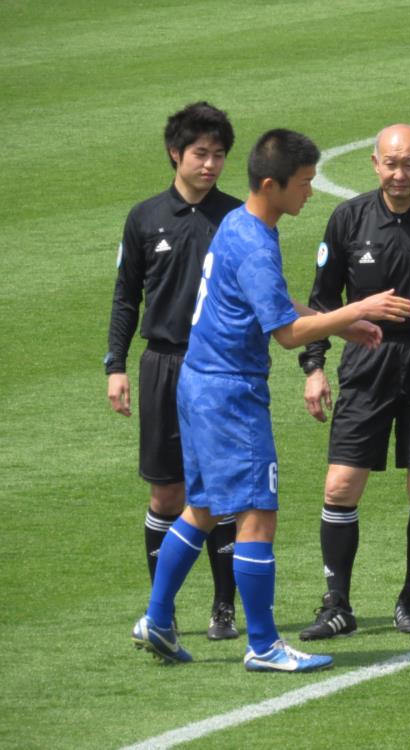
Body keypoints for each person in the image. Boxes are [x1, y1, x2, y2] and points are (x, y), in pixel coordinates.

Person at [130, 129, 410, 671]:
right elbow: (285, 333)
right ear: (271, 184)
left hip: (199, 382)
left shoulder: (238, 223)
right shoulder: (257, 242)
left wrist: (338, 323)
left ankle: (158, 619)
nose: (310, 191)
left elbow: (274, 302)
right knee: (257, 513)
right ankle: (263, 645)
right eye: (304, 183)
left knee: (204, 507)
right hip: (230, 394)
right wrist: (359, 309)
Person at [297, 124, 410, 639]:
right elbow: (322, 300)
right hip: (366, 363)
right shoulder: (348, 219)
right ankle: (337, 604)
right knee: (340, 485)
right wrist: (314, 366)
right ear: (375, 164)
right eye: (391, 164)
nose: (400, 174)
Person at [105, 102, 242, 640]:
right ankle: (164, 609)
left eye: (219, 155)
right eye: (200, 153)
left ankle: (224, 608)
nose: (210, 164)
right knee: (166, 495)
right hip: (162, 365)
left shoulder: (237, 218)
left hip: (219, 366)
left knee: (222, 492)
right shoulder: (144, 218)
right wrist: (116, 366)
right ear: (175, 154)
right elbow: (126, 297)